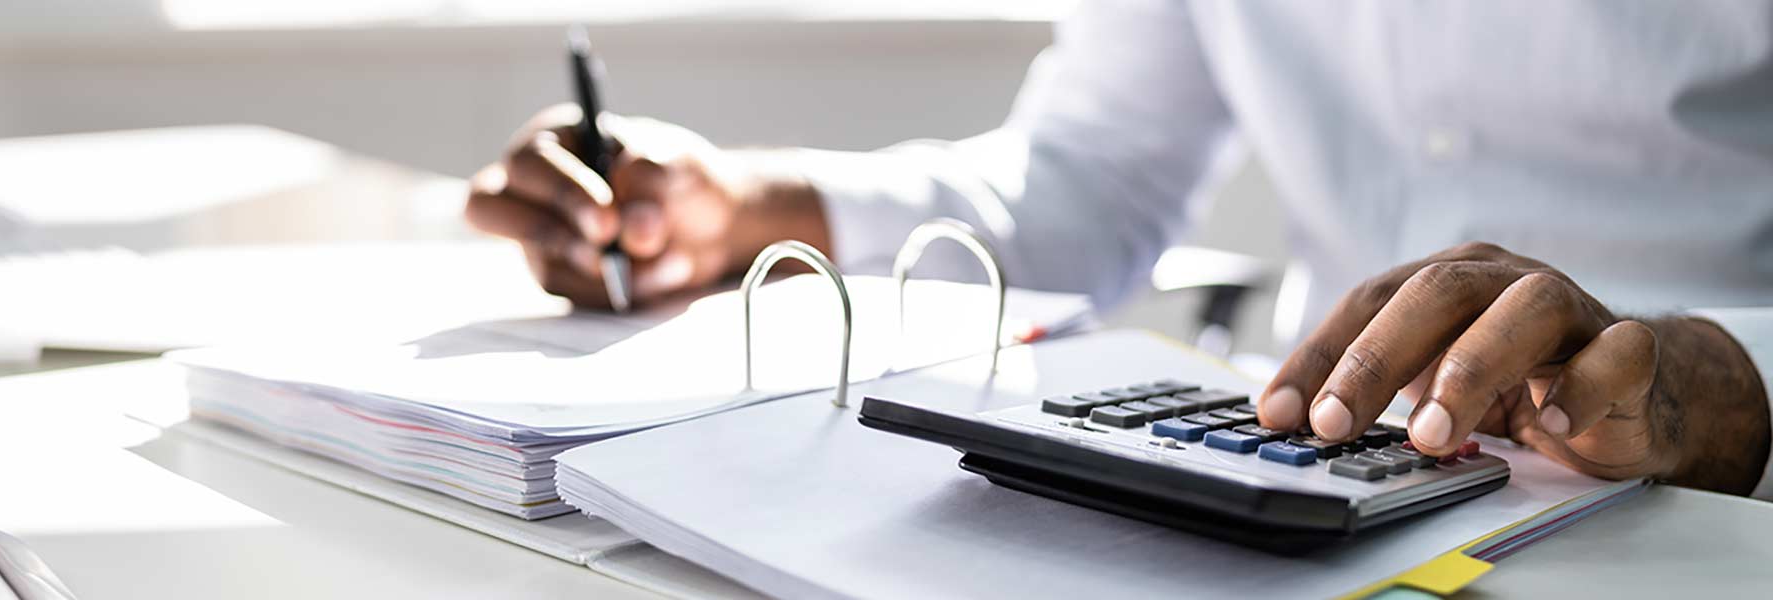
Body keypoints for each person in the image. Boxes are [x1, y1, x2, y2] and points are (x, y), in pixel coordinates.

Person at [464, 2, 1773, 497]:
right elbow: (1100, 164)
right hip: (1332, 483)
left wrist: (1732, 390)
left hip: (1720, 516)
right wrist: (748, 209)